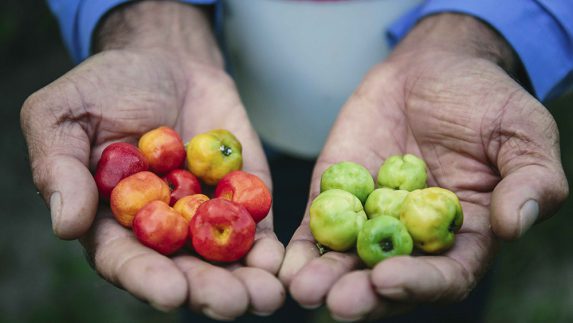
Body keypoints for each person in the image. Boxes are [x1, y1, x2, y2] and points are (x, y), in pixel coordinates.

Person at [21, 0, 572, 321]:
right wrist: (150, 18)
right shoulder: (180, 184)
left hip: (436, 140)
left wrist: (487, 28)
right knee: (223, 297)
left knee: (419, 298)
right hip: (223, 104)